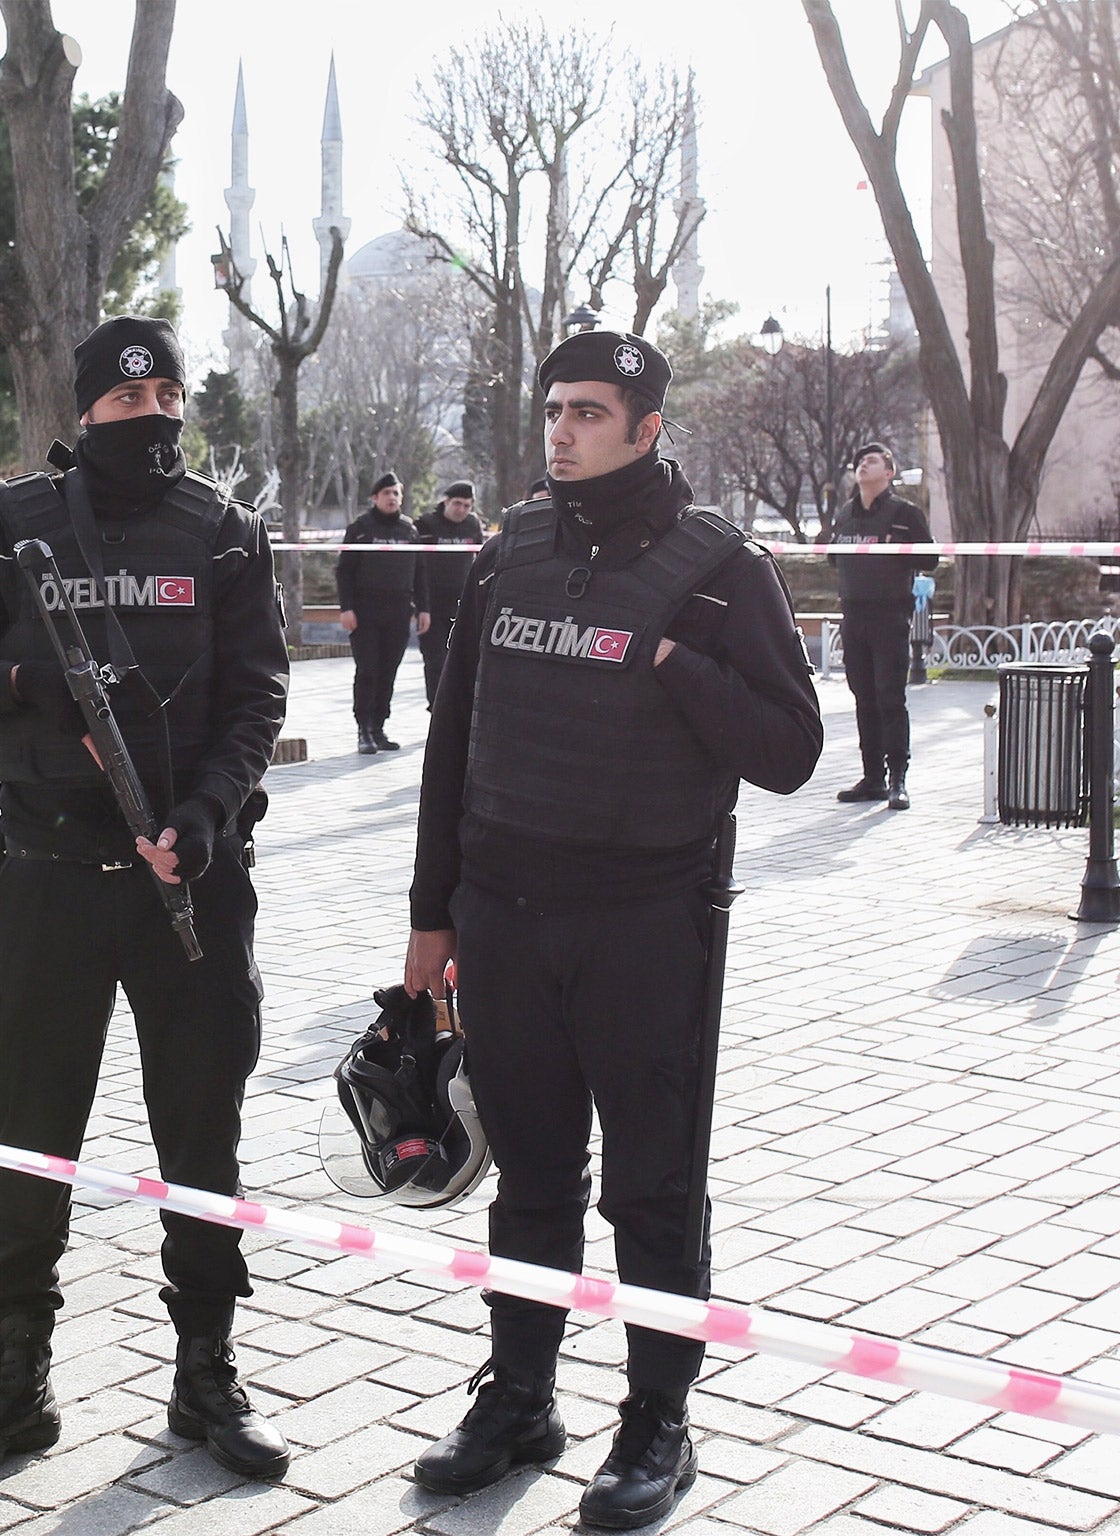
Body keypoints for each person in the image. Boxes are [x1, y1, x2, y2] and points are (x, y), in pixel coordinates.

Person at [403, 329, 822, 1528]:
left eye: (588, 414)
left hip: (644, 925)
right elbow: (451, 747)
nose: (562, 432)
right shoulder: (506, 554)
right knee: (528, 1177)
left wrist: (675, 664)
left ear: (645, 429)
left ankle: (656, 1424)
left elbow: (789, 751)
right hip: (503, 918)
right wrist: (431, 917)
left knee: (651, 1191)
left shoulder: (719, 570)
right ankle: (519, 1399)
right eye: (553, 412)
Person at [0, 316, 291, 1488]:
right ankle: (13, 1379)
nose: (147, 416)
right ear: (81, 414)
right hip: (48, 880)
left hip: (189, 884)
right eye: (122, 404)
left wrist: (208, 815)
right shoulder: (11, 525)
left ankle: (204, 1370)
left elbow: (256, 696)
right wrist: (24, 682)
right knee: (31, 1135)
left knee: (199, 1132)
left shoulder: (222, 534)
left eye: (165, 396)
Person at [827, 443, 933, 810]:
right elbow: (831, 559)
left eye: (871, 461)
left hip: (890, 617)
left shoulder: (906, 513)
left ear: (889, 472)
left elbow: (930, 558)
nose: (862, 466)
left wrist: (896, 548)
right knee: (864, 699)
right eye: (859, 462)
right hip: (854, 617)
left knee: (890, 698)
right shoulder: (844, 515)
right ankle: (872, 778)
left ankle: (897, 780)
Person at [337, 473, 429, 752]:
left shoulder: (409, 530)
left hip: (399, 610)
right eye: (387, 493)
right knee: (368, 670)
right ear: (375, 498)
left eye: (396, 494)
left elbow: (420, 572)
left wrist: (424, 608)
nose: (392, 498)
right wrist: (346, 608)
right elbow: (344, 572)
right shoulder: (360, 528)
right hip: (365, 611)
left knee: (388, 671)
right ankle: (363, 729)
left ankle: (379, 728)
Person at [413, 480, 484, 706]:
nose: (462, 510)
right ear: (446, 501)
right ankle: (437, 709)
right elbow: (415, 566)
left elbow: (482, 560)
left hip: (462, 603)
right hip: (431, 604)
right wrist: (419, 605)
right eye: (457, 504)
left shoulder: (473, 525)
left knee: (464, 662)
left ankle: (459, 710)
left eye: (467, 505)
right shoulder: (426, 524)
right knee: (436, 662)